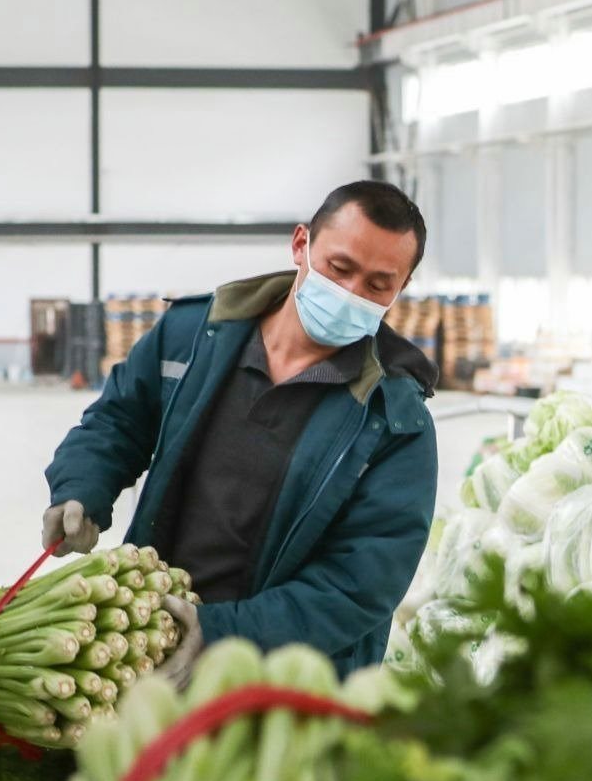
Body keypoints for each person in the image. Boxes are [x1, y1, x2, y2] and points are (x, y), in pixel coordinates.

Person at [40, 180, 440, 685]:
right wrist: (81, 487)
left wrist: (218, 632)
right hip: (147, 641)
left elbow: (359, 584)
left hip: (284, 683)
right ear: (301, 244)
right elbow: (119, 419)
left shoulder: (394, 420)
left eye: (378, 284)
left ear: (401, 288)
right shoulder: (193, 336)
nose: (351, 294)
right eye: (340, 268)